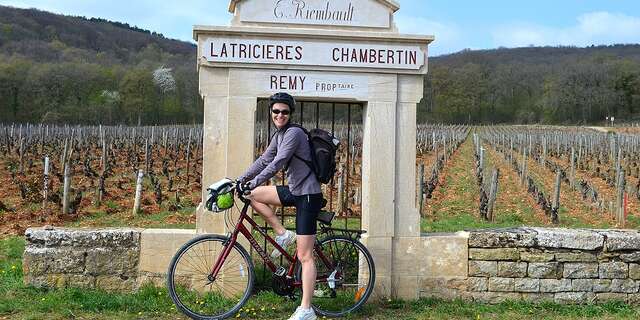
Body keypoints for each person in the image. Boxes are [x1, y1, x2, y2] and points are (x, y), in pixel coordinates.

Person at [237, 92, 322, 320]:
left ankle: (306, 309)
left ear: (290, 113)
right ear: (271, 112)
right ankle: (282, 233)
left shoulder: (293, 133)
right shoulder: (280, 134)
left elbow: (278, 162)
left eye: (284, 111)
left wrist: (253, 181)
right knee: (252, 195)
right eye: (276, 111)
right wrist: (241, 180)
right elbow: (264, 159)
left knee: (305, 256)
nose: (280, 115)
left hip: (307, 195)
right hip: (294, 191)